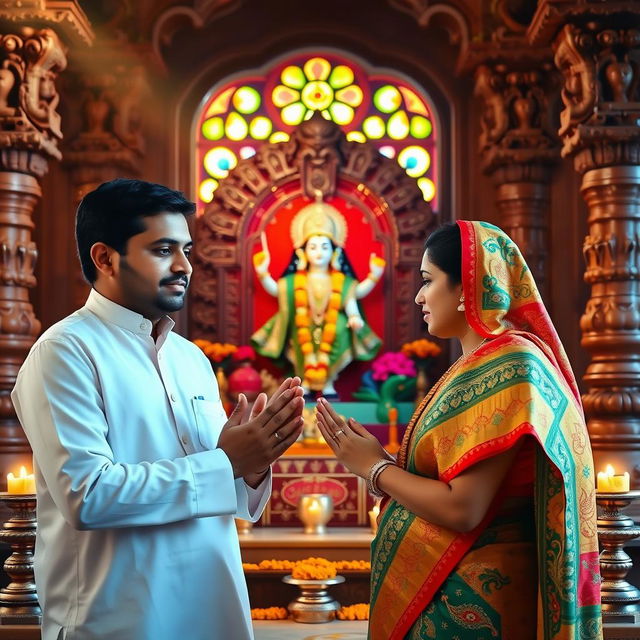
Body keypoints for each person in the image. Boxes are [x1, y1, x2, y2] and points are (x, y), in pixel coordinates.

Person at [11, 178, 305, 640]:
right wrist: (227, 461)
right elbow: (87, 497)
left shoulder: (191, 358)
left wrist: (250, 468)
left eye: (186, 249)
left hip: (212, 608)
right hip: (119, 618)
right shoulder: (65, 352)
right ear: (105, 258)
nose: (185, 266)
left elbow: (217, 491)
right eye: (164, 249)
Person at [316, 221, 602, 639]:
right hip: (451, 588)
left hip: (475, 593)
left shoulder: (511, 365)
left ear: (467, 285)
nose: (418, 296)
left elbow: (462, 509)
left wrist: (375, 468)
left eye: (428, 281)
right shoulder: (474, 366)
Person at [252, 195, 384, 397]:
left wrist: (356, 314)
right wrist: (263, 272)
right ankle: (304, 380)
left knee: (339, 327)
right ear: (303, 253)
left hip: (333, 328)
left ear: (334, 252)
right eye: (313, 247)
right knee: (298, 328)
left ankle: (328, 382)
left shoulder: (340, 280)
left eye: (325, 247)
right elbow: (276, 290)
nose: (319, 252)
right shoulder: (295, 281)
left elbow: (353, 297)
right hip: (303, 325)